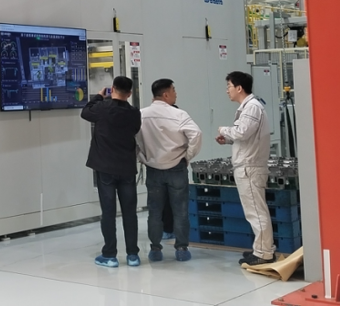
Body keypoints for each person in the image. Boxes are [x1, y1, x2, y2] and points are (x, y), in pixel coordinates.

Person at [81, 76, 143, 268]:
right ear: (130, 93)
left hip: (105, 167)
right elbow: (135, 129)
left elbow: (85, 112)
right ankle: (133, 255)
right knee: (130, 212)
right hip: (126, 168)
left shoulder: (102, 108)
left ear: (113, 89)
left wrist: (99, 97)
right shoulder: (134, 113)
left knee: (108, 212)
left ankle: (109, 255)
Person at [138, 79, 202, 262]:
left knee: (154, 211)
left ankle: (155, 250)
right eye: (174, 90)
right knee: (180, 210)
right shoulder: (179, 114)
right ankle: (181, 249)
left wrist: (142, 157)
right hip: (176, 168)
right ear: (166, 94)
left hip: (153, 169)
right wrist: (187, 156)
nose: (176, 93)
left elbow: (132, 139)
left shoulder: (141, 115)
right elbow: (196, 134)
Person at [215, 71, 274, 266]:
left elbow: (242, 132)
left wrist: (224, 129)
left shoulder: (252, 107)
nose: (227, 91)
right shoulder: (249, 107)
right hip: (248, 165)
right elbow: (245, 136)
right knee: (254, 211)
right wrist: (228, 139)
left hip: (250, 167)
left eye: (229, 86)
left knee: (256, 212)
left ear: (239, 88)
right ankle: (261, 248)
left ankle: (264, 253)